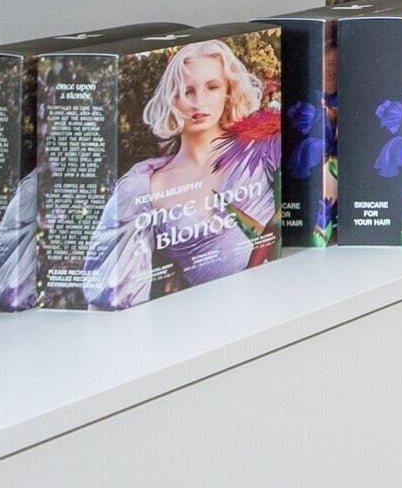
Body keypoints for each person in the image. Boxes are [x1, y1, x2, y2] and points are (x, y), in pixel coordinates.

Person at [81, 38, 281, 310]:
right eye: (187, 91)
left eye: (212, 87)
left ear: (227, 91)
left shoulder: (261, 147)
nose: (199, 102)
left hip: (283, 299)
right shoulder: (144, 187)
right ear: (172, 98)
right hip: (215, 319)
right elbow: (108, 296)